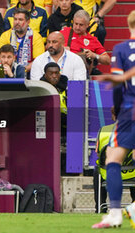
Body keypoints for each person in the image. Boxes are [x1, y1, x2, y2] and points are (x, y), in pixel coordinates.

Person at [92, 10, 135, 229]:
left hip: (130, 110)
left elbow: (118, 84)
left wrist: (117, 109)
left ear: (129, 25)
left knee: (113, 158)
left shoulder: (121, 49)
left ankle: (116, 211)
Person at [93, 107, 135, 214]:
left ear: (114, 116)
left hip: (108, 173)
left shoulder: (103, 131)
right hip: (132, 173)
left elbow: (98, 152)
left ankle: (100, 206)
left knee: (96, 169)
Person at [0, 8, 44, 74]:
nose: (17, 22)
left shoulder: (36, 37)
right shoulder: (5, 35)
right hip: (6, 71)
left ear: (28, 22)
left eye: (20, 20)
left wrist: (20, 71)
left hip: (29, 74)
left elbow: (38, 61)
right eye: (15, 19)